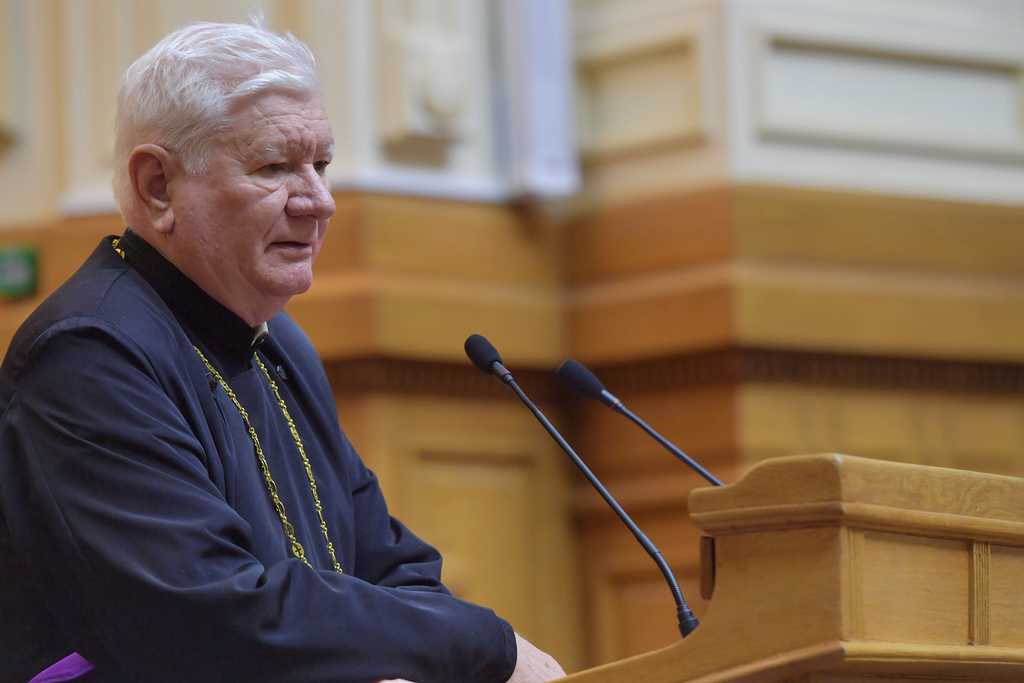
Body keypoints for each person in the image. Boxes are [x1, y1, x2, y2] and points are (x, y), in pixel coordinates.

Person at [0, 21, 567, 683]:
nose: (319, 200)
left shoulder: (282, 347)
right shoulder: (88, 354)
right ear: (158, 186)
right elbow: (209, 613)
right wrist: (484, 645)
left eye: (320, 164)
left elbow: (391, 564)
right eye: (276, 166)